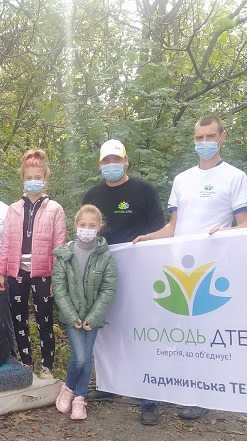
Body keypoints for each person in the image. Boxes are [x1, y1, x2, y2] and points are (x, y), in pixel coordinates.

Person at [133, 114, 247, 420]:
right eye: (198, 138)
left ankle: (203, 394)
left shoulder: (235, 177)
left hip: (214, 270)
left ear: (222, 138)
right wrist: (148, 237)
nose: (203, 143)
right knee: (180, 334)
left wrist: (228, 234)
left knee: (206, 336)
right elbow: (173, 227)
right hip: (179, 270)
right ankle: (178, 387)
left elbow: (246, 225)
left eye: (209, 137)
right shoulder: (182, 180)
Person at [83, 139, 165, 425]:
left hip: (140, 273)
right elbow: (86, 233)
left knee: (142, 330)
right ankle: (110, 386)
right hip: (102, 274)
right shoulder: (92, 195)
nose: (111, 165)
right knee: (107, 332)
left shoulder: (144, 191)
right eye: (106, 161)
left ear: (126, 161)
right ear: (100, 164)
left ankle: (148, 396)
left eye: (116, 160)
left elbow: (161, 232)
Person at [0, 149, 66, 378]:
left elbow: (60, 246)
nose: (33, 181)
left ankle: (47, 365)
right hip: (17, 272)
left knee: (44, 318)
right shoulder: (13, 209)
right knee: (19, 318)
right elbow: (6, 243)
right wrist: (2, 273)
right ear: (23, 179)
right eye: (29, 178)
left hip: (43, 273)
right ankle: (26, 362)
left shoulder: (55, 209)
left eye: (38, 178)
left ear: (45, 179)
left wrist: (57, 277)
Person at [52, 204, 117, 420]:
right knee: (80, 358)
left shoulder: (105, 256)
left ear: (99, 227)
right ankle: (69, 387)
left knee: (87, 357)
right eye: (83, 224)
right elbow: (59, 289)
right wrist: (72, 316)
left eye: (92, 225)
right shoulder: (65, 254)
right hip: (72, 317)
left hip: (93, 318)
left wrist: (93, 317)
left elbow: (108, 288)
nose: (87, 229)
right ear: (75, 225)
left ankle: (79, 398)